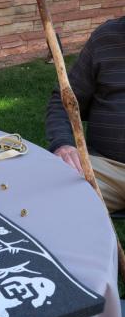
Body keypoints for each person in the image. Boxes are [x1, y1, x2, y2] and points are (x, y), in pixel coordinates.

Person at [46, 17, 125, 212]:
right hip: (106, 166)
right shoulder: (106, 37)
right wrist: (64, 145)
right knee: (43, 194)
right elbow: (64, 101)